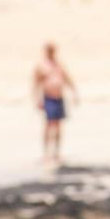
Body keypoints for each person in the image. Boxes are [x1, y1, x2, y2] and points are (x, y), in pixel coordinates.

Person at [33, 41, 76, 169]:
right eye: (50, 50)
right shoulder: (41, 66)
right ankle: (46, 153)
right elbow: (36, 84)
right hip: (48, 98)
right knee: (48, 125)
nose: (52, 52)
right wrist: (37, 99)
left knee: (58, 126)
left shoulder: (59, 65)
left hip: (59, 98)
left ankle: (56, 153)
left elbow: (67, 78)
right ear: (46, 51)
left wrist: (74, 92)